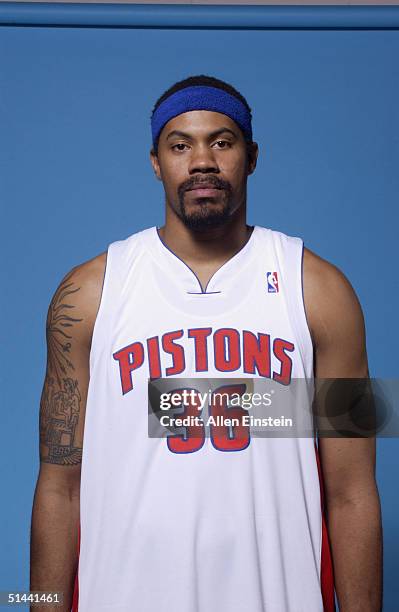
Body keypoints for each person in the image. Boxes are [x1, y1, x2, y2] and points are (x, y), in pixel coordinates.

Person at [30, 74, 382, 612]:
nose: (202, 161)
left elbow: (353, 492)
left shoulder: (319, 290)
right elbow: (59, 487)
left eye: (222, 141)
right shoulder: (90, 293)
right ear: (155, 162)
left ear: (252, 156)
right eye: (180, 145)